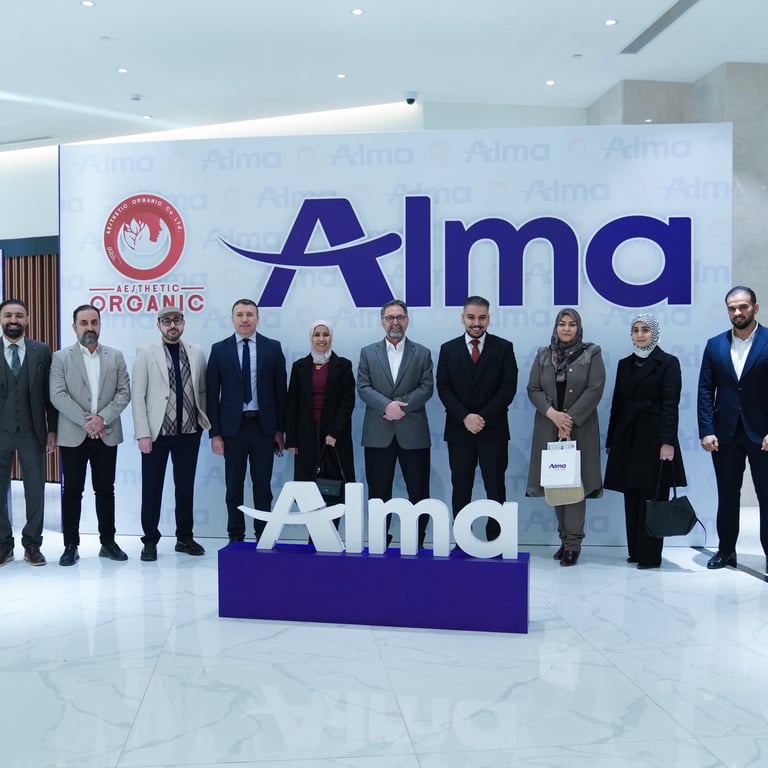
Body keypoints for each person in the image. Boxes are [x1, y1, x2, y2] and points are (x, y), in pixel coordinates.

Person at [50, 304, 131, 565]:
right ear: (74, 327)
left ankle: (108, 542)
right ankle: (70, 545)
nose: (89, 328)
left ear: (100, 324)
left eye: (94, 322)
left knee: (105, 490)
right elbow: (57, 395)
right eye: (83, 323)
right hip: (73, 434)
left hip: (106, 433)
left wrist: (102, 419)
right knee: (72, 491)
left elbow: (124, 392)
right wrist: (88, 422)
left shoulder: (115, 356)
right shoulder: (60, 358)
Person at [604, 314, 687, 569]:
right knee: (631, 495)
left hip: (655, 438)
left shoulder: (668, 363)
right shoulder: (624, 364)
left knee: (653, 497)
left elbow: (671, 404)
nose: (640, 335)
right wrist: (612, 439)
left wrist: (667, 442)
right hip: (628, 437)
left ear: (655, 333)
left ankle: (650, 555)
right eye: (636, 330)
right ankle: (636, 551)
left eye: (645, 330)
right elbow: (617, 404)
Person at [526, 308, 605, 566]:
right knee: (556, 484)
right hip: (549, 428)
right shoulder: (543, 354)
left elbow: (595, 389)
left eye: (572, 324)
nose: (567, 329)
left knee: (575, 486)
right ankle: (564, 538)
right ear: (556, 327)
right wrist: (553, 414)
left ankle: (573, 544)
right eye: (562, 324)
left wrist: (568, 419)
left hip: (579, 429)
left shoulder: (592, 353)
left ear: (578, 328)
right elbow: (533, 388)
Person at [131, 307, 210, 561]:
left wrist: (202, 422)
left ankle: (184, 538)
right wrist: (143, 433)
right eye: (166, 321)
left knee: (185, 488)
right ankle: (150, 540)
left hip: (189, 432)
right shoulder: (146, 352)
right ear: (159, 325)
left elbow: (202, 390)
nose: (172, 325)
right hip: (157, 434)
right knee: (151, 488)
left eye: (176, 320)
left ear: (183, 323)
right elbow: (138, 395)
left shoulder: (196, 351)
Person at [436, 295, 518, 541]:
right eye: (471, 317)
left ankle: (496, 540)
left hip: (493, 431)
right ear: (462, 318)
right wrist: (465, 417)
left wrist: (481, 418)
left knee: (496, 488)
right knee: (461, 488)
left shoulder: (504, 348)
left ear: (488, 319)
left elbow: (508, 388)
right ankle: (463, 541)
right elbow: (444, 389)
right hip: (459, 431)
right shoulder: (448, 349)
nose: (476, 323)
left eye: (482, 318)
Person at [698, 285, 768, 571]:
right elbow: (705, 390)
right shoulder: (715, 344)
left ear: (755, 308)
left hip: (763, 435)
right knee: (727, 495)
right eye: (732, 308)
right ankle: (726, 550)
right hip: (724, 434)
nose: (737, 312)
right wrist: (706, 429)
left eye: (743, 307)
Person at [206, 299, 286, 542]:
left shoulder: (272, 348)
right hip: (233, 429)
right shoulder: (219, 350)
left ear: (257, 318)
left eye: (249, 314)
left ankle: (264, 535)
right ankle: (235, 534)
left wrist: (279, 430)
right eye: (239, 314)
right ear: (232, 319)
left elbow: (280, 392)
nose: (244, 319)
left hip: (263, 427)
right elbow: (212, 395)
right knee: (234, 486)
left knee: (263, 486)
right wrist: (215, 433)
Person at [357, 299, 433, 547]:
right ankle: (379, 540)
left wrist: (399, 407)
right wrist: (386, 406)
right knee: (378, 493)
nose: (395, 322)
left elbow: (426, 388)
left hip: (413, 433)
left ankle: (417, 541)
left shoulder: (422, 353)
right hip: (378, 434)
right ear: (382, 322)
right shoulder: (368, 352)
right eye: (390, 317)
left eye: (400, 317)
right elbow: (363, 387)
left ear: (407, 320)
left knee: (419, 491)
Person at [0, 299, 58, 567]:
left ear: (27, 320)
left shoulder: (41, 350)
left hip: (32, 431)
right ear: (1, 319)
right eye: (8, 315)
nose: (13, 320)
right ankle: (4, 544)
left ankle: (32, 545)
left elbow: (50, 395)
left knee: (35, 489)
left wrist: (52, 430)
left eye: (18, 315)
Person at [285, 321, 355, 507]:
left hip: (334, 436)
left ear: (331, 337)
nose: (321, 339)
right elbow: (292, 404)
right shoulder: (299, 366)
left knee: (334, 486)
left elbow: (347, 402)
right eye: (317, 334)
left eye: (326, 334)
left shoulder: (343, 365)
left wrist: (334, 432)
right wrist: (291, 440)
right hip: (306, 435)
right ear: (311, 337)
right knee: (307, 486)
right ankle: (311, 526)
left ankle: (332, 525)